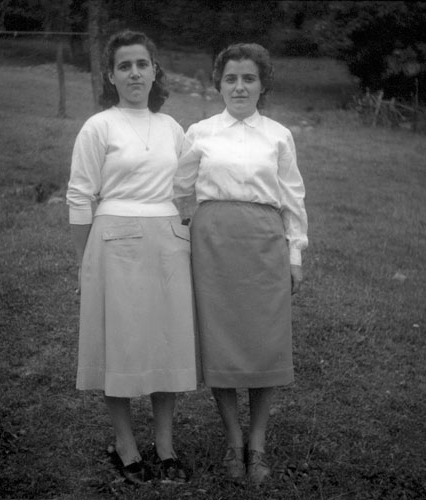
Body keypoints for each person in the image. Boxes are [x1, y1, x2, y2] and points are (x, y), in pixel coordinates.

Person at [66, 30, 196, 484]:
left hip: (168, 243)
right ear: (111, 75)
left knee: (165, 340)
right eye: (125, 66)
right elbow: (80, 196)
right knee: (117, 342)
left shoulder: (172, 127)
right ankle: (125, 444)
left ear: (154, 71)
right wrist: (85, 263)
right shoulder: (99, 126)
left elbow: (190, 187)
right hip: (114, 243)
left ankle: (165, 445)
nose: (134, 73)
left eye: (142, 64)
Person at [174, 42, 308, 485]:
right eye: (230, 78)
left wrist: (294, 254)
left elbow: (292, 197)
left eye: (249, 78)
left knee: (265, 340)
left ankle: (258, 442)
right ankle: (233, 441)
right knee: (222, 342)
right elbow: (180, 189)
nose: (239, 86)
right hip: (212, 245)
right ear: (218, 84)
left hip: (264, 243)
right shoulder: (201, 132)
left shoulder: (278, 135)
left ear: (262, 84)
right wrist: (184, 233)